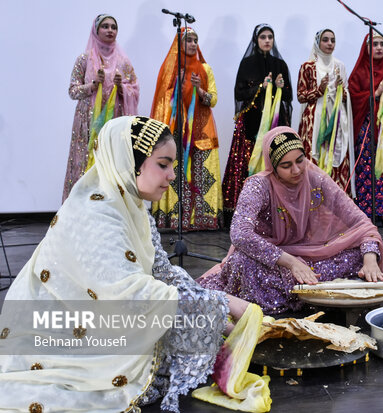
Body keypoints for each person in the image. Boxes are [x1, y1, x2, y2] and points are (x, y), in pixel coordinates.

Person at [0, 116, 251, 412]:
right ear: (130, 163)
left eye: (172, 164)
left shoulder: (132, 206)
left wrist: (217, 314)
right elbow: (132, 294)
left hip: (104, 313)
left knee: (193, 333)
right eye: (163, 164)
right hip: (59, 328)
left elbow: (163, 273)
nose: (173, 175)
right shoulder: (95, 213)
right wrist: (222, 304)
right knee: (163, 354)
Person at [198, 126, 383, 314]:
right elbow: (240, 234)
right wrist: (291, 263)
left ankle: (299, 288)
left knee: (355, 256)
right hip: (269, 260)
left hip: (310, 257)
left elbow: (362, 224)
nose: (296, 170)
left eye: (300, 161)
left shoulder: (315, 179)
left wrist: (369, 260)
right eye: (286, 166)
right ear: (272, 166)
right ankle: (307, 290)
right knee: (240, 262)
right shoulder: (259, 185)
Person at [150, 27, 223, 230]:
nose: (192, 44)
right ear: (179, 44)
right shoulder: (171, 69)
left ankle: (202, 220)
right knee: (175, 175)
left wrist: (199, 89)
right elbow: (162, 101)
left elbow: (213, 100)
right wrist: (177, 87)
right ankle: (174, 219)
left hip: (202, 131)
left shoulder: (205, 69)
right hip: (176, 132)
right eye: (188, 40)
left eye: (195, 40)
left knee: (202, 175)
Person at [62, 14, 139, 202]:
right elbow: (72, 91)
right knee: (85, 163)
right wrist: (92, 85)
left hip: (114, 122)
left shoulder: (123, 62)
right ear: (96, 30)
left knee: (112, 164)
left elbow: (135, 90)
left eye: (114, 27)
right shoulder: (84, 59)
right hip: (87, 124)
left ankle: (112, 207)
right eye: (105, 26)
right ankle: (80, 207)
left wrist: (122, 87)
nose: (110, 30)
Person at [221, 24, 293, 226]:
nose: (267, 40)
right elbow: (239, 94)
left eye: (270, 36)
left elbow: (289, 96)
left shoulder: (280, 65)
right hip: (251, 126)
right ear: (256, 40)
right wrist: (260, 87)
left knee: (274, 165)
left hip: (274, 123)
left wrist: (279, 87)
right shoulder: (247, 64)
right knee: (247, 166)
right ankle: (244, 212)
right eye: (263, 37)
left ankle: (275, 211)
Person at [348, 32, 383, 222]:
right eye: (375, 44)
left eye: (382, 44)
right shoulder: (359, 72)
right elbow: (354, 98)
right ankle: (368, 211)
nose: (380, 47)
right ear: (366, 48)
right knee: (368, 166)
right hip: (368, 128)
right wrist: (376, 92)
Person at [297, 29, 355, 195]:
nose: (330, 44)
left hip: (336, 119)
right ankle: (312, 205)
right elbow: (301, 96)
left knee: (336, 157)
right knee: (313, 158)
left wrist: (340, 91)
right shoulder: (307, 67)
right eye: (325, 40)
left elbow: (346, 96)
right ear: (318, 42)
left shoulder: (340, 66)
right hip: (314, 120)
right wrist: (319, 90)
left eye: (332, 40)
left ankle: (336, 207)